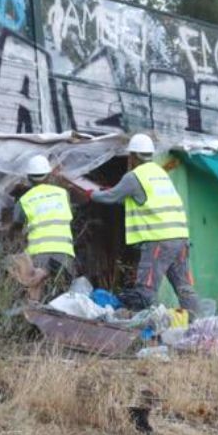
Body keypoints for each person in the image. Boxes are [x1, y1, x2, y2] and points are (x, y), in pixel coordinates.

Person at [87, 133, 201, 313]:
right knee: (184, 287)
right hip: (180, 239)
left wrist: (90, 194)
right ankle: (199, 325)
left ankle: (143, 328)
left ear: (132, 156)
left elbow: (110, 198)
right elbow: (140, 199)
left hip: (159, 241)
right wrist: (117, 192)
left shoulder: (134, 176)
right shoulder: (160, 173)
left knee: (145, 289)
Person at [11, 154, 76, 301]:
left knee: (38, 298)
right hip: (64, 253)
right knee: (63, 299)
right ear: (48, 175)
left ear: (29, 177)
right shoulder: (63, 194)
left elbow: (16, 228)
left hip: (39, 255)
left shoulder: (24, 200)